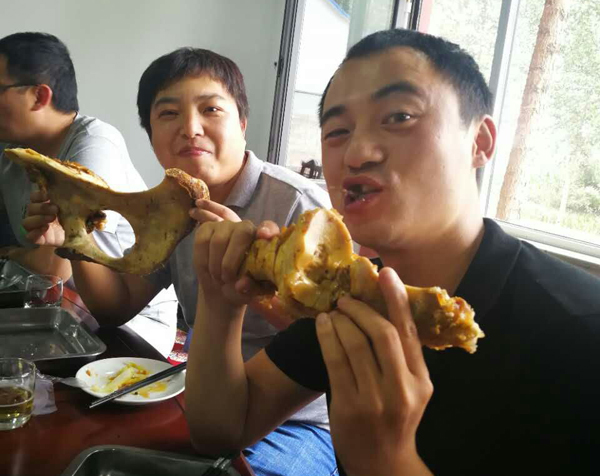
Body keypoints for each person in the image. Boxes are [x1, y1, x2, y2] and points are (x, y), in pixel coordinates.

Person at [184, 28, 600, 476]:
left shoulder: (580, 334)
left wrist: (387, 461)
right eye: (337, 131)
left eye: (399, 117)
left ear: (480, 141)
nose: (357, 154)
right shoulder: (348, 295)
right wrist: (221, 302)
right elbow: (222, 430)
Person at [23, 47, 335, 476]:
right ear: (150, 135)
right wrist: (74, 236)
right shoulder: (175, 210)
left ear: (242, 123)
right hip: (203, 398)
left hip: (295, 422)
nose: (190, 128)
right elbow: (116, 306)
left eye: (211, 109)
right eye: (168, 114)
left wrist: (248, 277)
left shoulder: (299, 208)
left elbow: (329, 337)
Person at [0, 32, 178, 356]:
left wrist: (11, 255)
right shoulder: (11, 151)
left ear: (39, 96)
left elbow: (55, 268)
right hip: (59, 307)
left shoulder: (93, 145)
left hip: (130, 323)